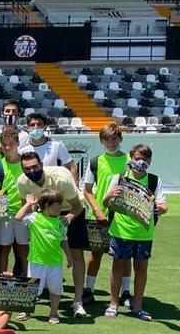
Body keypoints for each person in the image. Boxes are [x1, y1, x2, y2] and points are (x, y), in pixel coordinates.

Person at [16, 151, 88, 317]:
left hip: (71, 210)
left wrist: (67, 219)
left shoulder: (61, 177)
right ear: (22, 169)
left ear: (41, 164)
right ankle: (29, 302)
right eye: (27, 168)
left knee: (76, 253)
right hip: (44, 212)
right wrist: (36, 225)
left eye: (35, 166)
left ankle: (77, 301)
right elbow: (27, 208)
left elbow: (77, 206)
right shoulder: (22, 182)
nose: (31, 171)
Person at [102, 144, 167, 321]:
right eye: (138, 158)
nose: (142, 162)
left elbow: (162, 203)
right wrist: (109, 196)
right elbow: (106, 203)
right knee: (118, 267)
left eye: (146, 159)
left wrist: (162, 208)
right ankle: (113, 304)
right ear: (131, 158)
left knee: (141, 269)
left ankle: (137, 306)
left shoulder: (154, 181)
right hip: (120, 231)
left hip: (144, 234)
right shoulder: (119, 178)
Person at [83, 123, 130, 305]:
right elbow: (87, 190)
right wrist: (97, 209)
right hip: (99, 216)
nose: (111, 142)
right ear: (101, 141)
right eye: (107, 139)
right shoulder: (95, 161)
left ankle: (125, 292)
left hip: (123, 216)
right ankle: (89, 289)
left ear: (120, 139)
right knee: (95, 254)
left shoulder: (129, 160)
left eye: (114, 138)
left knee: (124, 256)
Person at [15, 191, 72, 324]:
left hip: (55, 262)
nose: (60, 207)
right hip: (36, 261)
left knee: (55, 288)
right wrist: (29, 204)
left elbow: (64, 240)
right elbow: (18, 218)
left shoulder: (61, 222)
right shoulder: (34, 217)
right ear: (47, 205)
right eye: (58, 204)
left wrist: (69, 256)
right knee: (33, 288)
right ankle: (26, 310)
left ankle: (53, 313)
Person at [0, 131, 29, 275]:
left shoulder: (26, 163)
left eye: (11, 144)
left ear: (18, 144)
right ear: (1, 146)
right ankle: (3, 281)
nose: (8, 148)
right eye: (5, 145)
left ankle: (27, 281)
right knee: (4, 250)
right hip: (5, 214)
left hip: (25, 212)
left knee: (24, 250)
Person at [26, 113, 77, 180]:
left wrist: (75, 187)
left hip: (53, 188)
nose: (36, 127)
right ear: (27, 128)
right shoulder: (24, 148)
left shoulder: (57, 145)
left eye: (39, 124)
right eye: (32, 125)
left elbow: (71, 167)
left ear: (45, 127)